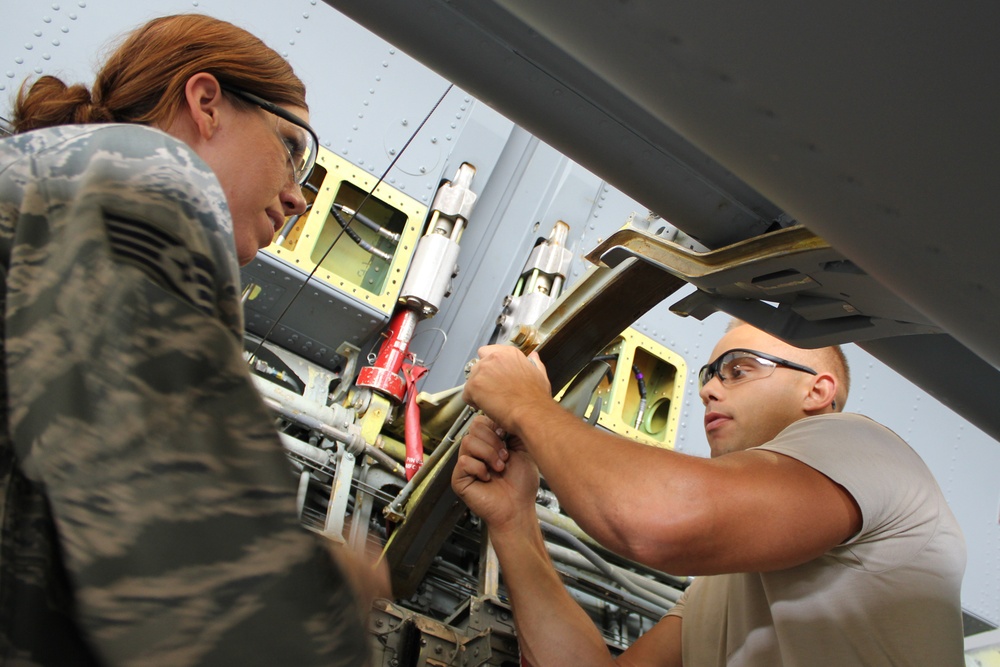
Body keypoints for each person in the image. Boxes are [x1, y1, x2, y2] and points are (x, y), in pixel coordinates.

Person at [1, 14, 374, 666]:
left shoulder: (58, 180)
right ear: (205, 103)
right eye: (295, 150)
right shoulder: (152, 173)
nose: (299, 197)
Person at [453, 322, 966, 666]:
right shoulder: (728, 585)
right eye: (710, 375)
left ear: (818, 391)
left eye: (739, 370)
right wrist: (514, 520)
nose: (709, 389)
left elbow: (656, 520)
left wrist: (524, 402)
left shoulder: (863, 446)